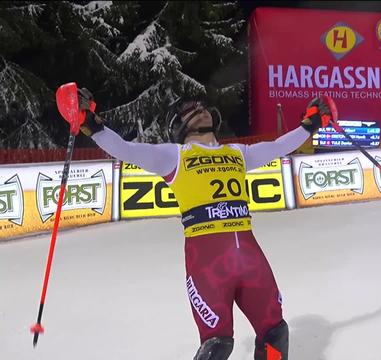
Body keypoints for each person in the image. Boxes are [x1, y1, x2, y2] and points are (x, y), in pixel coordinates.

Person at [75, 88, 336, 360]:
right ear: (178, 126)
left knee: (275, 333)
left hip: (251, 260)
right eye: (189, 110)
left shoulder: (238, 152)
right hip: (208, 266)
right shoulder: (173, 155)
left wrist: (311, 124)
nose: (199, 109)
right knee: (218, 344)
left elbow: (279, 146)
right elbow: (125, 149)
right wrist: (89, 123)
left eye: (201, 106)